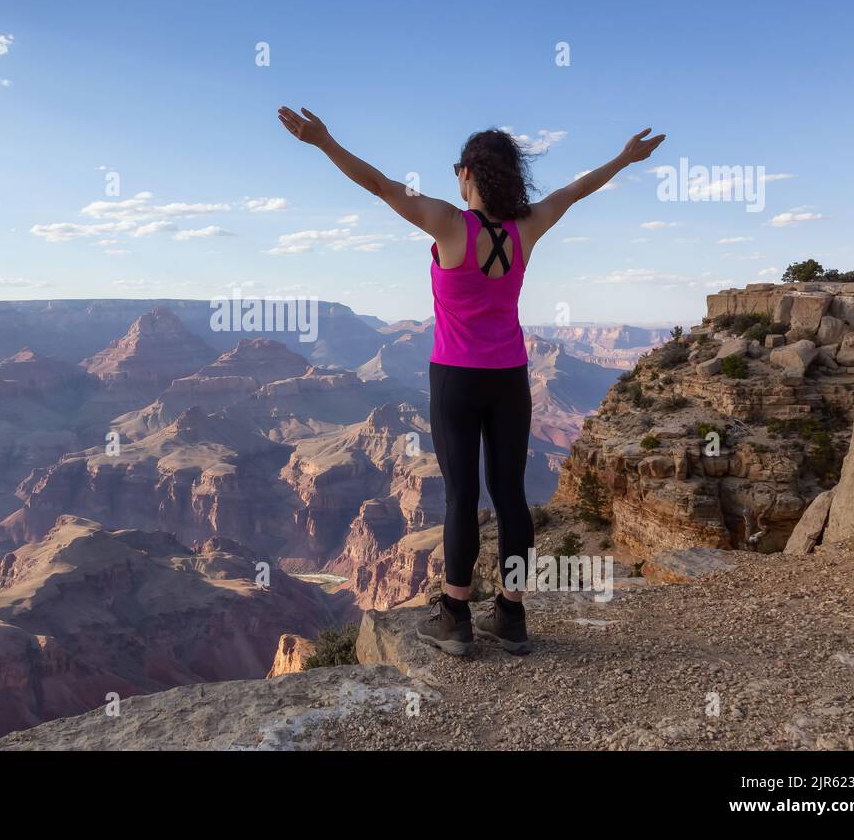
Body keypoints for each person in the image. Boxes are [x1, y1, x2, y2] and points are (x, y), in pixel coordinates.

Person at [277, 106, 664, 655]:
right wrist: (625, 158)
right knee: (510, 496)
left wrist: (323, 141)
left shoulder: (448, 222)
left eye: (458, 171)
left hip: (455, 379)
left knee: (461, 495)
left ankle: (455, 617)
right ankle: (510, 615)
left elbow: (379, 185)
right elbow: (577, 191)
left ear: (468, 173)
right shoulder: (527, 226)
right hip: (509, 380)